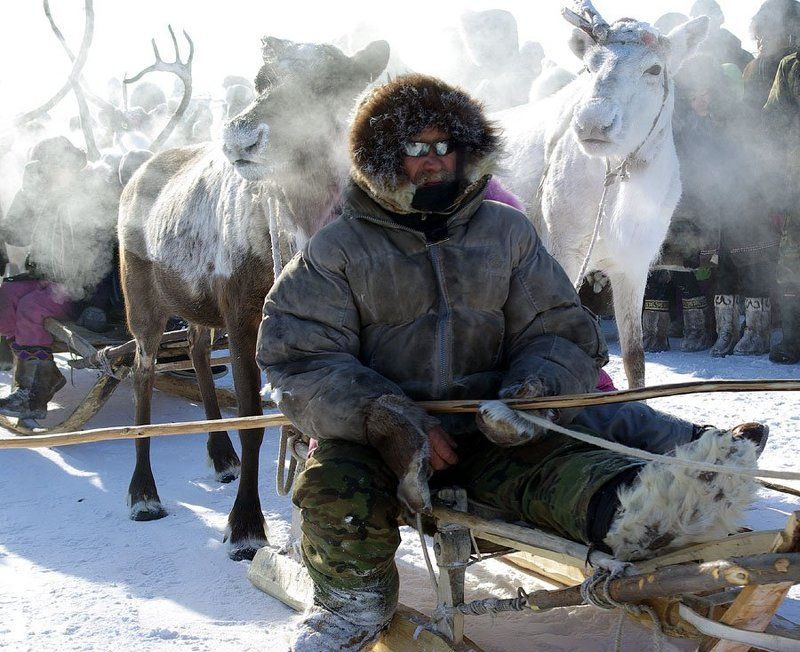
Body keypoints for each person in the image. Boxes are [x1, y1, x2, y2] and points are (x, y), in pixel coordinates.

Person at [256, 75, 764, 651]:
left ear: (466, 148)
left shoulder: (508, 232)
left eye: (443, 145)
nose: (433, 161)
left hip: (491, 430)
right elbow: (299, 359)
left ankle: (655, 514)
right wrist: (385, 418)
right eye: (414, 148)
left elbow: (561, 331)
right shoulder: (337, 248)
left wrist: (531, 393)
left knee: (572, 474)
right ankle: (352, 605)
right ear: (383, 157)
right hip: (378, 440)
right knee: (335, 489)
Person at [0, 136, 119, 420]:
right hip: (46, 278)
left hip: (83, 289)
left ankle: (35, 394)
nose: (51, 170)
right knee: (6, 300)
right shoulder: (40, 195)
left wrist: (98, 305)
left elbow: (110, 257)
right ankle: (45, 374)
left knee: (32, 307)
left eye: (56, 163)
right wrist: (25, 195)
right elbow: (15, 235)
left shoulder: (92, 196)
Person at [763, 48, 800, 363]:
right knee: (792, 260)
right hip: (796, 179)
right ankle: (792, 338)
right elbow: (774, 117)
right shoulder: (792, 64)